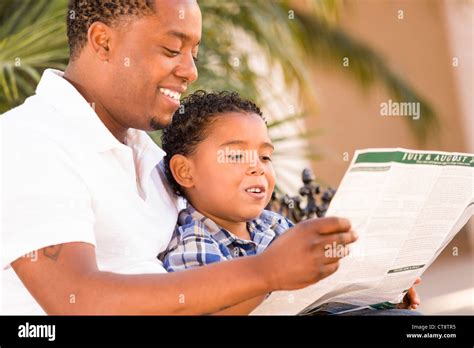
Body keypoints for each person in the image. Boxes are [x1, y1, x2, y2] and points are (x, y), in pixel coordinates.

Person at [0, 0, 357, 315]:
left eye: (194, 54)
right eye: (172, 50)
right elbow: (77, 301)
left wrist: (351, 286)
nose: (190, 71)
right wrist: (267, 272)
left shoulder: (152, 157)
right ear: (103, 42)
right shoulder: (30, 140)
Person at [158, 90, 421, 315]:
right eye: (236, 155)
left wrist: (377, 293)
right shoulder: (192, 243)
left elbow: (322, 293)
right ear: (185, 171)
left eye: (265, 157)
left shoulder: (273, 225)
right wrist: (272, 275)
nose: (257, 168)